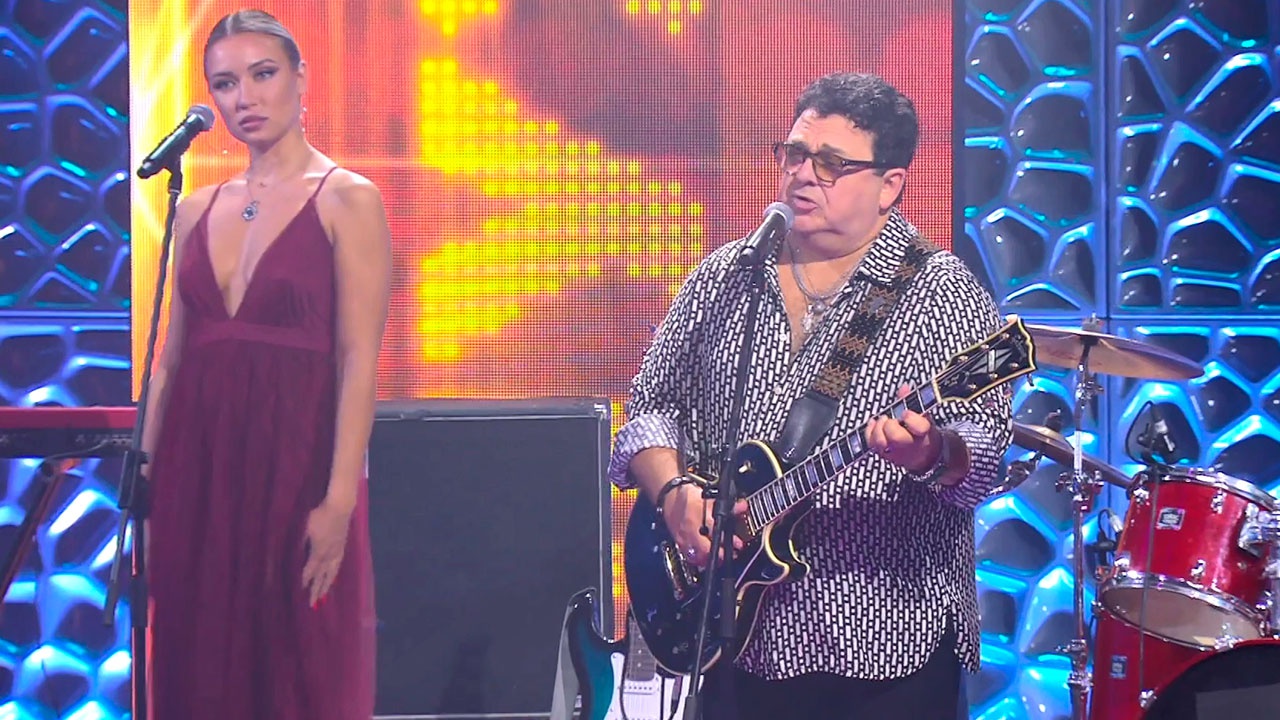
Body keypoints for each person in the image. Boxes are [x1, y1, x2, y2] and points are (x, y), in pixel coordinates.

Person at [609, 72, 1013, 719]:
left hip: (882, 644)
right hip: (731, 636)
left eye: (831, 164)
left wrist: (932, 452)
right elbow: (650, 406)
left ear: (889, 185)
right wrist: (676, 494)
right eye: (794, 154)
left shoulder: (939, 290)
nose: (803, 174)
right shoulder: (727, 275)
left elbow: (986, 455)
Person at [142, 9, 391, 719]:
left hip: (296, 468)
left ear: (300, 78)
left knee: (297, 669)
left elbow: (358, 360)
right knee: (198, 668)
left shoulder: (347, 199)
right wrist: (148, 490)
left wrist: (339, 499)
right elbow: (170, 364)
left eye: (262, 74)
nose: (244, 98)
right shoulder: (193, 210)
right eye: (225, 84)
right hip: (196, 472)